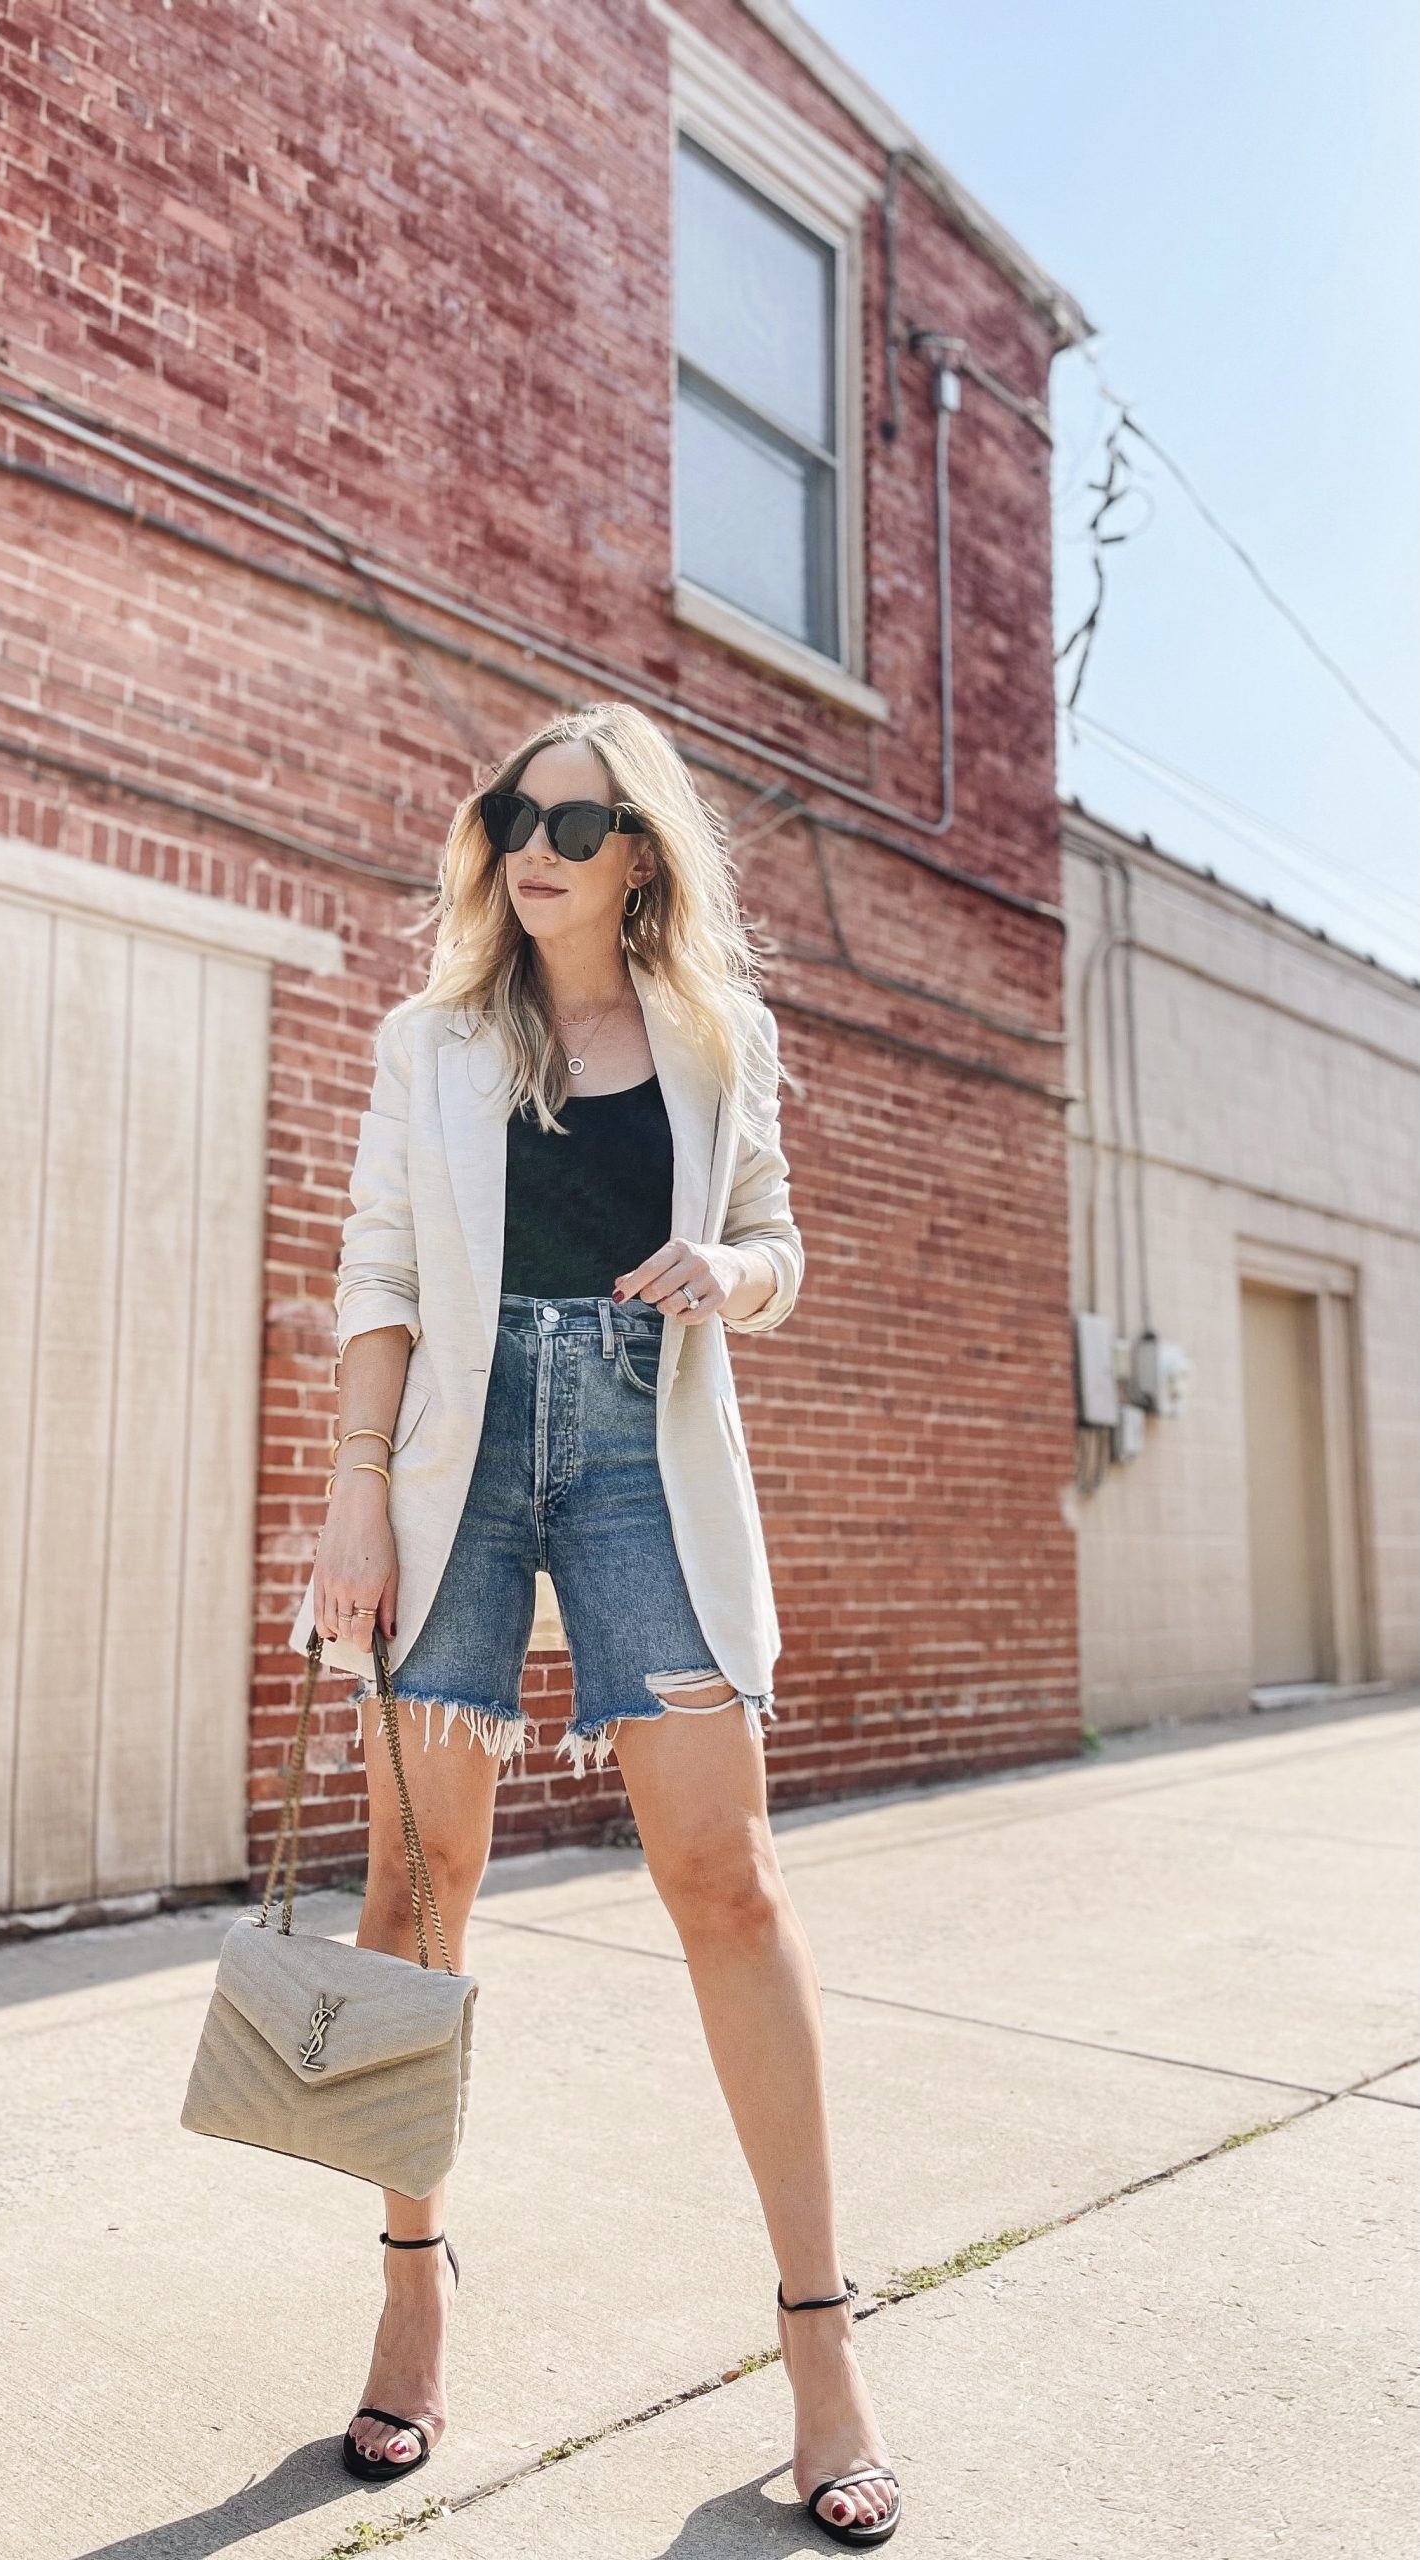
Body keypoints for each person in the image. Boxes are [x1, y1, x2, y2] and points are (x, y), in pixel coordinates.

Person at [290, 702, 901, 2546]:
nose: (538, 842)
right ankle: (411, 2288)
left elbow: (780, 1238)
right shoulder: (432, 1041)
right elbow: (379, 1266)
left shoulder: (724, 1036)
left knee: (728, 1883)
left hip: (646, 1446)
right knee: (418, 1899)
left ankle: (817, 2345)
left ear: (641, 850)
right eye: (513, 813)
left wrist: (733, 1268)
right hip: (451, 1469)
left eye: (579, 818)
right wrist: (347, 1493)